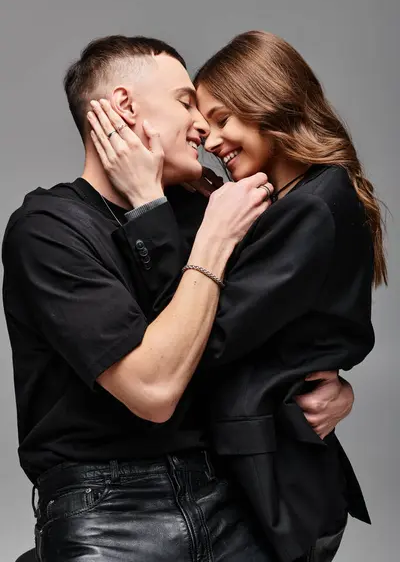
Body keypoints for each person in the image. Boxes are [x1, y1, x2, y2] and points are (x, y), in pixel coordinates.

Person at [2, 36, 354, 562]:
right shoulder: (49, 229)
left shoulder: (209, 207)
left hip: (242, 499)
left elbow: (261, 337)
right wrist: (211, 240)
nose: (202, 129)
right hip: (111, 514)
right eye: (186, 102)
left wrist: (328, 389)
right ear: (125, 108)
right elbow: (154, 388)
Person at [86, 31, 386, 562]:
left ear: (271, 102)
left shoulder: (313, 207)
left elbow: (210, 338)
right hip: (264, 477)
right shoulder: (282, 202)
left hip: (279, 488)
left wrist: (148, 207)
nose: (209, 138)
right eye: (203, 119)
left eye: (223, 119)